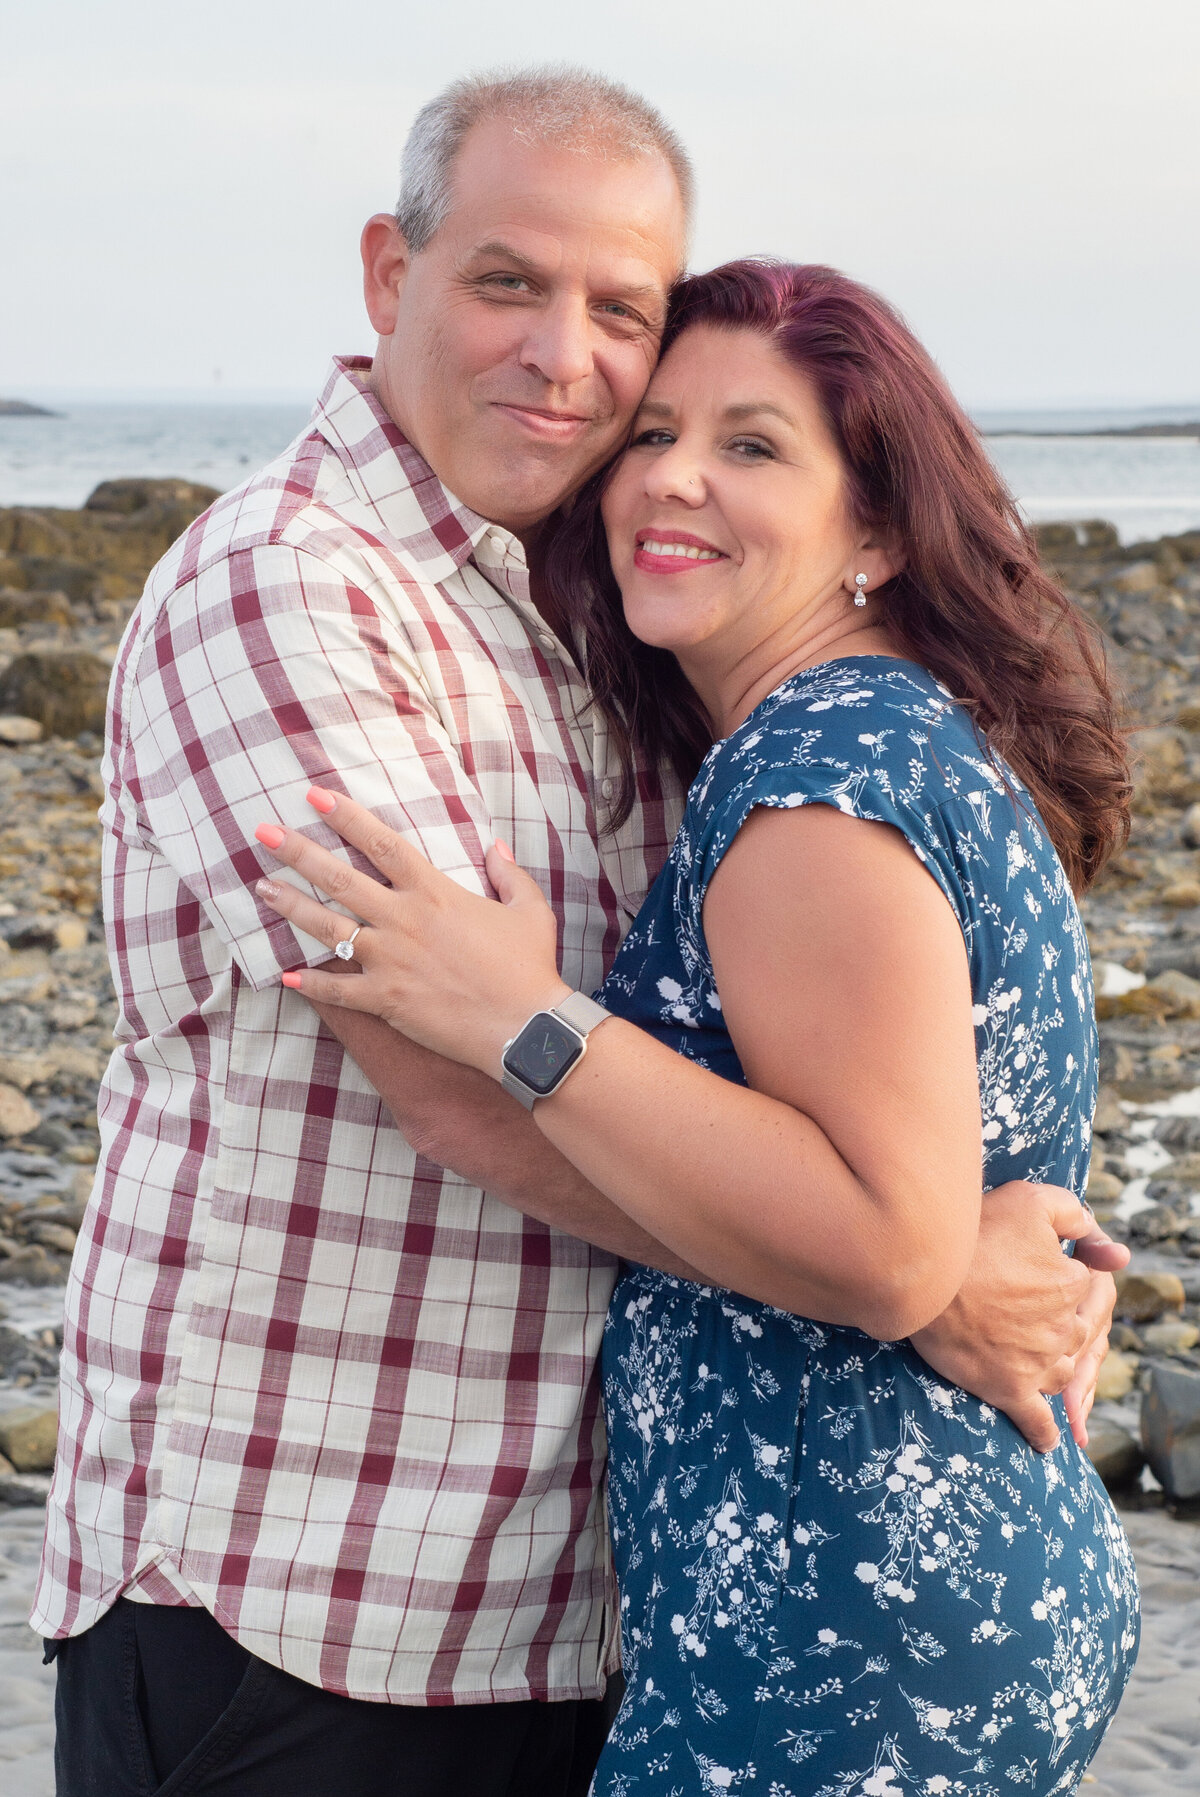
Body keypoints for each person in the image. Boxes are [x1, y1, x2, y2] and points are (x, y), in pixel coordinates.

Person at [38, 62, 1122, 1797]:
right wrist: (917, 1278)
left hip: (579, 1609)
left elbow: (757, 1061)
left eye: (623, 309)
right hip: (311, 1596)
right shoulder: (293, 587)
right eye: (505, 283)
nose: (570, 358)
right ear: (392, 278)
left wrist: (916, 1233)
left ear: (868, 524)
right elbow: (466, 1095)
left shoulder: (610, 631)